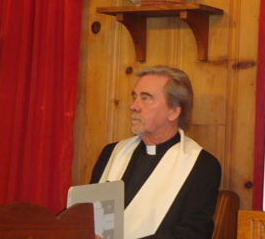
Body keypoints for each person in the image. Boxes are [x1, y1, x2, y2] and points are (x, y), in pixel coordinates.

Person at [91, 65, 221, 239]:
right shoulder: (112, 153)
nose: (133, 106)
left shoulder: (200, 165)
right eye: (135, 97)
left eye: (146, 99)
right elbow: (85, 213)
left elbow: (193, 232)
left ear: (173, 111)